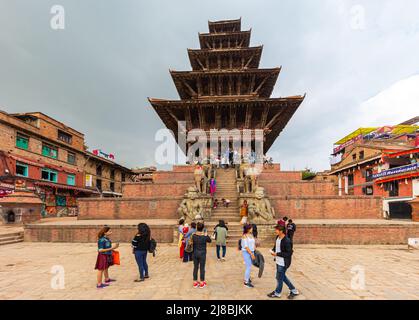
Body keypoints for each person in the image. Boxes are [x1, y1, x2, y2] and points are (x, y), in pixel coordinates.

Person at [267, 225, 299, 299]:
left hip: (284, 262)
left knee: (279, 278)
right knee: (282, 277)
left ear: (281, 231)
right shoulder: (277, 238)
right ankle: (294, 290)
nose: (276, 231)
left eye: (277, 230)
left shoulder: (287, 240)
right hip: (278, 261)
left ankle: (277, 293)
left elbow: (289, 253)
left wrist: (277, 254)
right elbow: (276, 247)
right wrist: (273, 251)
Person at [192, 222, 212, 288]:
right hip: (202, 254)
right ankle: (201, 282)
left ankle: (195, 282)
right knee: (202, 268)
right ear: (203, 228)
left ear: (197, 228)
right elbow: (210, 240)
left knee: (195, 267)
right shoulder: (204, 236)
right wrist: (206, 234)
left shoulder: (194, 235)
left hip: (195, 253)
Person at [241, 224, 256, 288]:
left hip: (251, 251)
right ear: (248, 229)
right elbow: (246, 247)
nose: (252, 229)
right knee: (248, 266)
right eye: (251, 228)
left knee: (249, 266)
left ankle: (248, 278)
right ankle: (246, 282)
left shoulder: (251, 235)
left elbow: (253, 243)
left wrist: (254, 250)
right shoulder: (244, 236)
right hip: (246, 252)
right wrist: (251, 254)